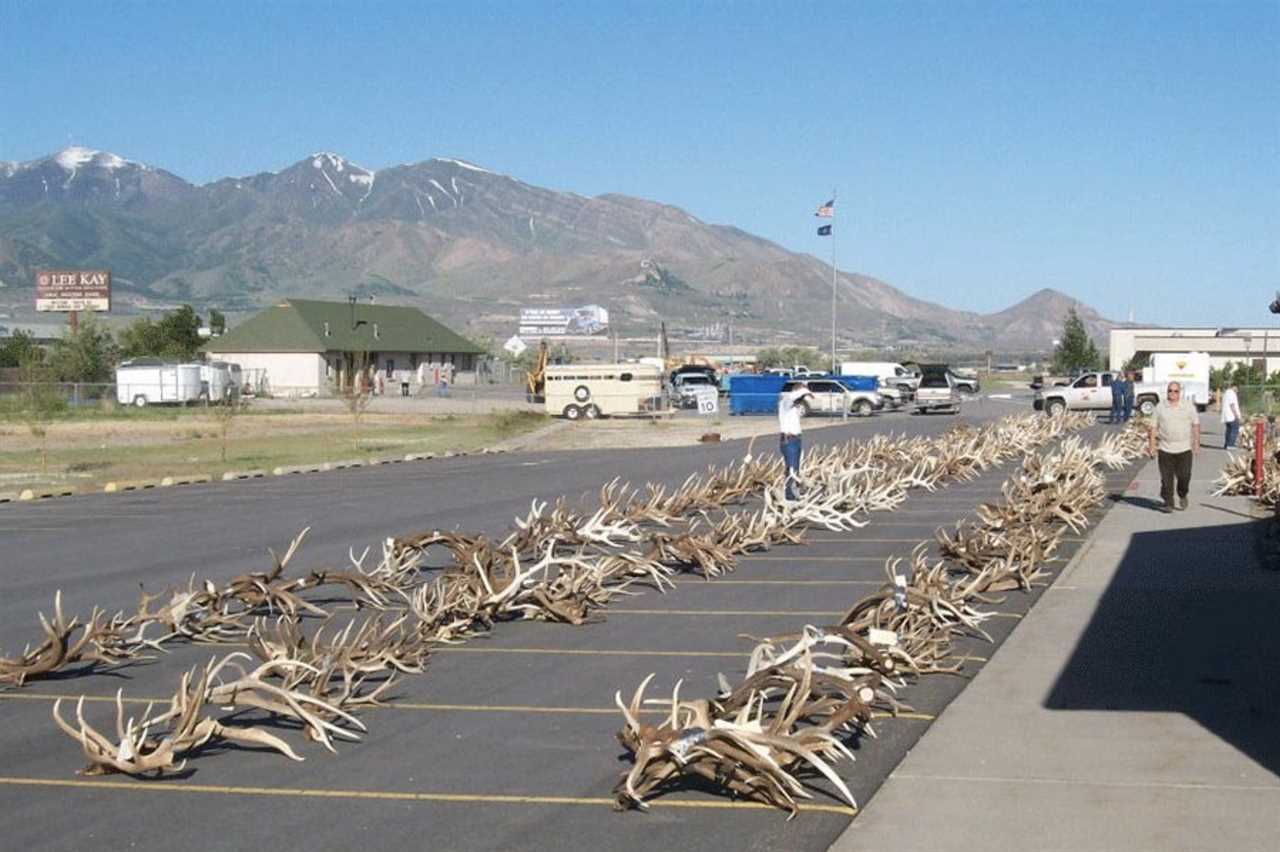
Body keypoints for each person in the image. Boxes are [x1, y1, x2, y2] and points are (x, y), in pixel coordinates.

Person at [1148, 381, 1200, 512]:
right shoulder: (1160, 407)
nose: (1172, 393)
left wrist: (1196, 444)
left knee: (1184, 476)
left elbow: (1196, 425)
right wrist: (1152, 446)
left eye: (1175, 391)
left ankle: (1182, 494)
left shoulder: (1188, 407)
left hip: (1184, 449)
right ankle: (1168, 502)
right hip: (1165, 448)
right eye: (1170, 391)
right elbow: (1153, 427)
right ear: (1167, 392)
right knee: (1167, 479)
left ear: (1180, 392)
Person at [777, 381, 814, 501]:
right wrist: (803, 391)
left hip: (795, 440)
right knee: (792, 470)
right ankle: (790, 496)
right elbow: (791, 397)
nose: (803, 399)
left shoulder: (794, 405)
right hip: (789, 440)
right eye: (802, 396)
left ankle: (792, 493)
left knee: (794, 470)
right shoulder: (786, 402)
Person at [1220, 381, 1241, 448]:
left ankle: (1226, 444)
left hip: (1226, 416)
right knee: (1234, 429)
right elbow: (1232, 405)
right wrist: (1236, 415)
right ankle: (1231, 444)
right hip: (1231, 415)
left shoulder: (1226, 393)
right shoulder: (1232, 393)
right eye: (1237, 389)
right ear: (1235, 387)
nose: (1237, 391)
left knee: (1228, 430)